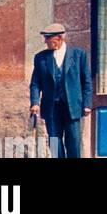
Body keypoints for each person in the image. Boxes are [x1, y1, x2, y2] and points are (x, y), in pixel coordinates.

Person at [29, 21, 92, 159]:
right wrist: (35, 102)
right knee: (55, 144)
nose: (45, 41)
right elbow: (35, 83)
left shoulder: (78, 55)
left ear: (58, 38)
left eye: (47, 38)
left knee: (74, 144)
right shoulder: (40, 58)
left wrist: (87, 104)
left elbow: (86, 81)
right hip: (51, 109)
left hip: (72, 107)